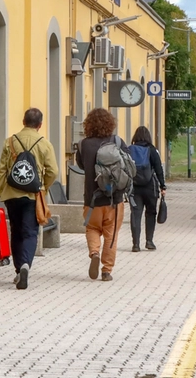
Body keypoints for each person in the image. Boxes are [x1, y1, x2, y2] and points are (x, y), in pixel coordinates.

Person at [0, 108, 58, 290]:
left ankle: (18, 269)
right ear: (40, 125)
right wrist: (43, 186)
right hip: (32, 196)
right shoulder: (44, 144)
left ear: (23, 121)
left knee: (16, 231)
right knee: (30, 232)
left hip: (11, 194)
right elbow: (53, 171)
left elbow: (2, 170)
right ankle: (26, 265)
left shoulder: (10, 141)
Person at [77, 108, 125, 282]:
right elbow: (128, 166)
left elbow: (81, 166)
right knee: (111, 234)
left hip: (91, 199)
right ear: (110, 123)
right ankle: (106, 270)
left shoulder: (83, 145)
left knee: (92, 228)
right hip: (114, 199)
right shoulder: (117, 142)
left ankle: (94, 252)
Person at [127, 126, 166, 252]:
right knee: (151, 213)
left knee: (135, 214)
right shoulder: (152, 150)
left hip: (134, 187)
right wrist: (162, 185)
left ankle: (135, 244)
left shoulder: (130, 150)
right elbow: (158, 169)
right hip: (150, 187)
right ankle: (149, 241)